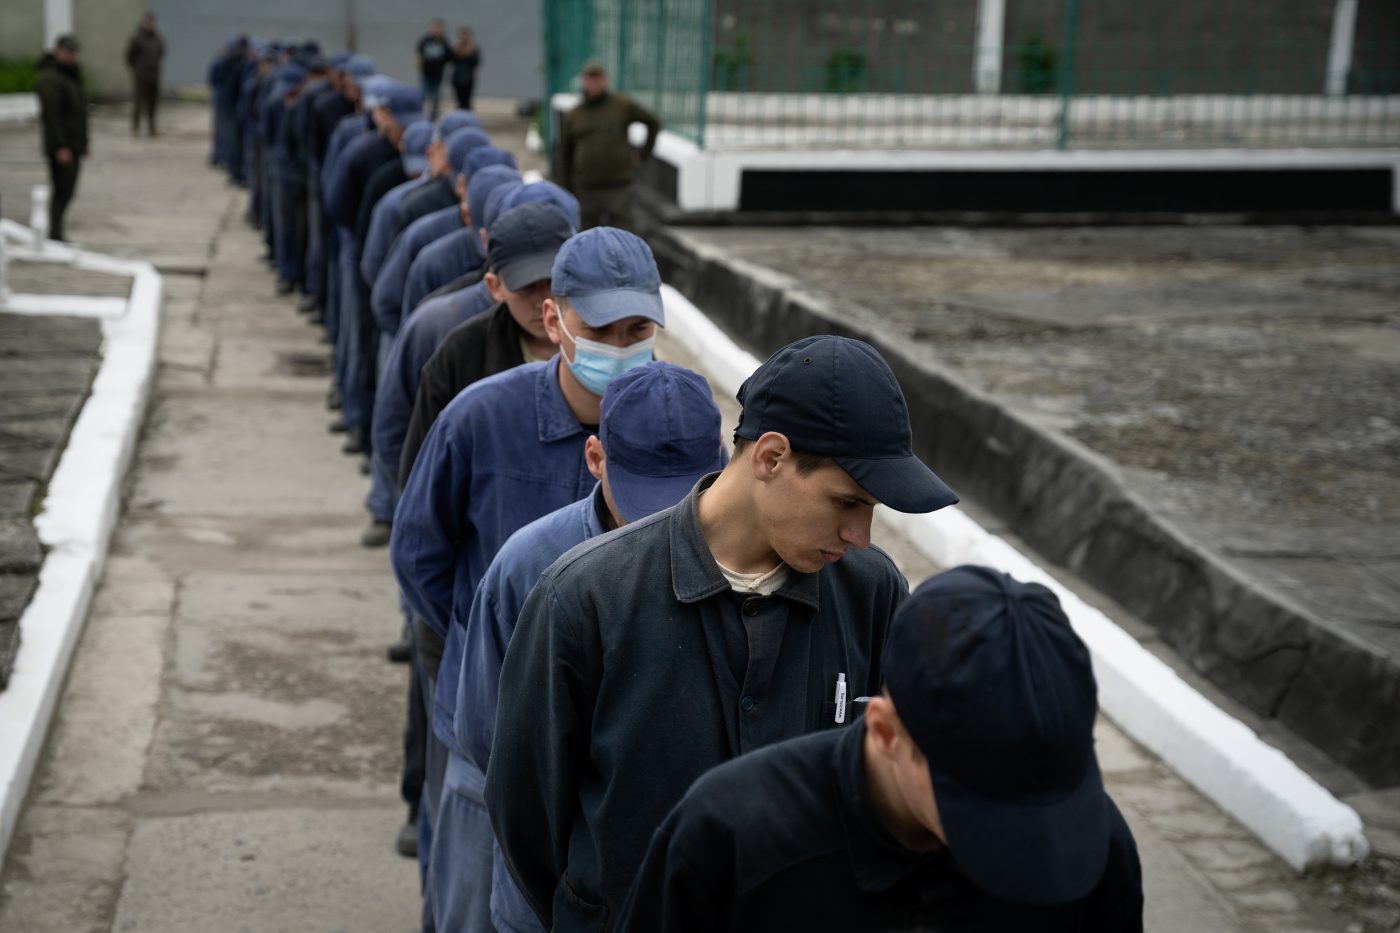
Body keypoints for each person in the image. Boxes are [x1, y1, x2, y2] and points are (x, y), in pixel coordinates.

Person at [484, 335, 960, 931]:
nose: (860, 534)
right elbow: (525, 816)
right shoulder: (586, 599)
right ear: (771, 457)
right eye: (846, 503)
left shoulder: (871, 594)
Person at [391, 222, 665, 930]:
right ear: (554, 319)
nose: (623, 344)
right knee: (471, 910)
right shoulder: (481, 418)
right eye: (601, 326)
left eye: (638, 327)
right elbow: (419, 552)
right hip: (490, 742)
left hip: (616, 741)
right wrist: (489, 634)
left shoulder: (676, 425)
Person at [617, 566, 1146, 932]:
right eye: (981, 799)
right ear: (886, 731)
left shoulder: (1092, 846)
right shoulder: (730, 834)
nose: (1027, 838)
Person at [446, 361, 727, 933]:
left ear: (722, 469)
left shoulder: (739, 562)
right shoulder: (528, 567)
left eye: (683, 501)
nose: (661, 527)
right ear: (595, 459)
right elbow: (489, 741)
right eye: (642, 501)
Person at [556, 60, 659, 231]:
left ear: (606, 80)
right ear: (583, 81)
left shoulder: (622, 106)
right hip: (586, 187)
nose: (594, 83)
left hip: (618, 185)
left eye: (598, 78)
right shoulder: (574, 115)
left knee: (623, 232)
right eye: (591, 78)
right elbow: (564, 152)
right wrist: (565, 187)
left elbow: (653, 122)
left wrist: (643, 153)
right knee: (587, 235)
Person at [34, 35, 88, 243]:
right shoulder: (50, 78)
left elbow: (79, 112)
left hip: (74, 144)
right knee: (62, 190)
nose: (72, 55)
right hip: (62, 146)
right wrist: (59, 147)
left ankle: (56, 232)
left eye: (74, 52)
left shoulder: (70, 75)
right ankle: (54, 234)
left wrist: (84, 142)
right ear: (58, 51)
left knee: (68, 190)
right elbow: (52, 117)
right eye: (68, 51)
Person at [125, 13, 165, 137]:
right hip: (141, 75)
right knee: (139, 101)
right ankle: (135, 128)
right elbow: (129, 56)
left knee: (153, 102)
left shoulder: (157, 38)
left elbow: (161, 52)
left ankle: (152, 128)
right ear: (143, 23)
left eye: (152, 22)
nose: (150, 25)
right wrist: (137, 68)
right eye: (148, 22)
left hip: (154, 74)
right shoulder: (137, 38)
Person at [416, 19, 452, 120]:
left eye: (439, 28)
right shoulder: (426, 40)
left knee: (436, 98)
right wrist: (421, 66)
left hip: (438, 75)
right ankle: (420, 114)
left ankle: (434, 117)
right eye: (436, 28)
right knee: (422, 95)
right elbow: (419, 53)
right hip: (426, 74)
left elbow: (449, 56)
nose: (437, 30)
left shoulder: (444, 42)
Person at [450, 28, 480, 111]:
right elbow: (450, 60)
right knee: (458, 101)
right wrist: (456, 51)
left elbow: (476, 63)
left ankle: (467, 117)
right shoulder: (456, 48)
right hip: (457, 78)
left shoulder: (473, 48)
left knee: (467, 101)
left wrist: (468, 54)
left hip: (468, 78)